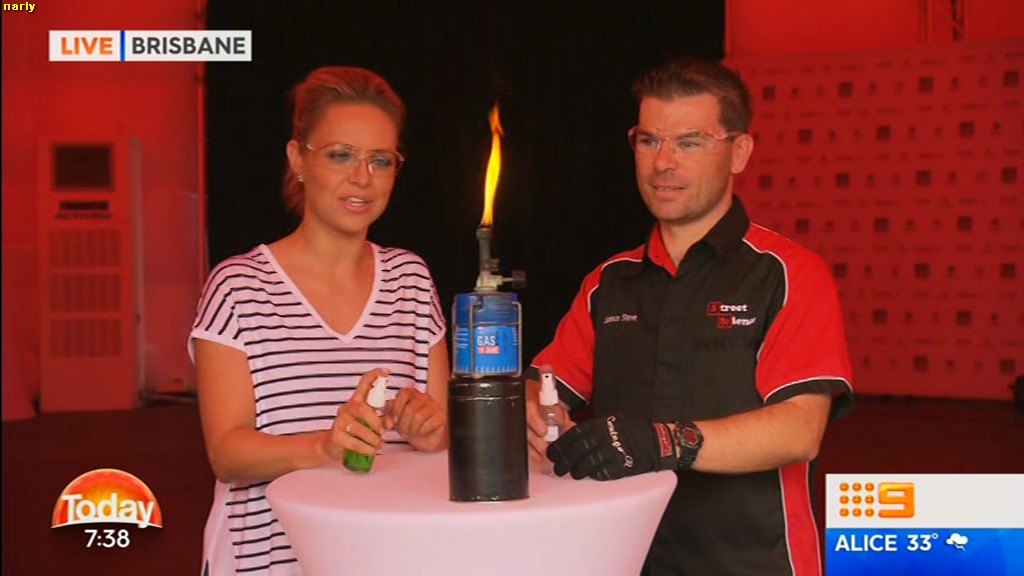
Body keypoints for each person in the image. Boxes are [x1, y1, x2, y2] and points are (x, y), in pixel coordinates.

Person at [525, 57, 854, 576]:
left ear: (739, 152)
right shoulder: (609, 282)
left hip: (752, 564)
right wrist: (538, 418)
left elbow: (799, 430)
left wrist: (663, 442)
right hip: (624, 557)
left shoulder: (788, 273)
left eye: (690, 142)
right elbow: (543, 387)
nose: (663, 162)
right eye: (649, 140)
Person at [190, 66, 449, 576]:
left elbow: (439, 434)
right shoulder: (239, 286)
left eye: (380, 160)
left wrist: (429, 431)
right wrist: (325, 447)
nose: (362, 178)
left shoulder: (411, 279)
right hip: (272, 559)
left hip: (391, 555)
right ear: (298, 160)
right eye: (340, 155)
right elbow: (226, 453)